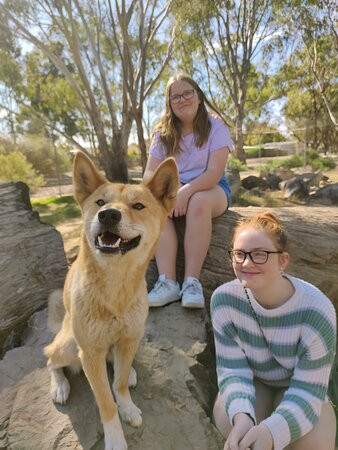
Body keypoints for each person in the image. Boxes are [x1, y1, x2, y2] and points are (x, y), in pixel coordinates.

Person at [211, 212, 337, 450]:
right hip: (254, 382)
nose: (247, 263)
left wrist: (271, 432)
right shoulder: (224, 300)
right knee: (232, 427)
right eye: (240, 254)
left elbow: (309, 389)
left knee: (312, 443)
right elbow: (232, 370)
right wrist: (241, 418)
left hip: (302, 387)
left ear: (283, 260)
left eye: (260, 254)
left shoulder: (317, 310)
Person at [143, 74, 233, 309]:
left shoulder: (215, 126)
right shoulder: (162, 133)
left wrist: (186, 192)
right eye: (176, 97)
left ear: (199, 96)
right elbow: (148, 175)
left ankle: (192, 283)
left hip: (211, 189)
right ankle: (168, 283)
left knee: (199, 202)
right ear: (169, 103)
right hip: (174, 190)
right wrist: (171, 194)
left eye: (187, 93)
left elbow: (214, 173)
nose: (182, 99)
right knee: (155, 208)